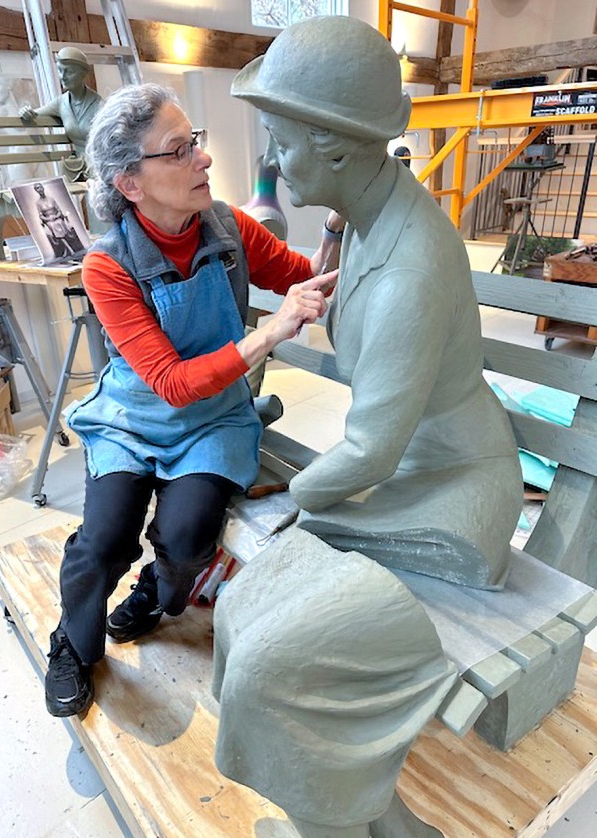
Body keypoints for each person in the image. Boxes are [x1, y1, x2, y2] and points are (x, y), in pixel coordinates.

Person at [212, 15, 524, 838]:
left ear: (341, 149)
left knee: (275, 662)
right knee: (245, 616)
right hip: (401, 475)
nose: (272, 161)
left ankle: (341, 825)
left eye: (280, 140)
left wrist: (289, 495)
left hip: (452, 494)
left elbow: (370, 448)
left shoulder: (410, 265)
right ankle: (365, 819)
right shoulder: (363, 218)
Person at [43, 81, 342, 719]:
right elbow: (171, 382)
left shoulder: (229, 228)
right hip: (134, 417)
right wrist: (268, 332)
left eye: (195, 144)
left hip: (212, 422)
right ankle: (71, 643)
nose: (202, 160)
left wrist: (341, 224)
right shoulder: (108, 266)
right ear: (131, 183)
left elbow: (305, 277)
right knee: (104, 540)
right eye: (178, 151)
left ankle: (158, 591)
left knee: (184, 542)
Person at [20, 47, 102, 181]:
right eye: (60, 70)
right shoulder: (61, 103)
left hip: (100, 166)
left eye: (69, 71)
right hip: (78, 167)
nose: (63, 76)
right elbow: (35, 113)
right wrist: (26, 112)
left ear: (83, 73)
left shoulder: (99, 105)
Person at [33, 181, 85, 257]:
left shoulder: (51, 199)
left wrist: (56, 216)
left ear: (43, 188)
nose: (40, 189)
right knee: (53, 225)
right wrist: (49, 218)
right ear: (36, 191)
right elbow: (41, 216)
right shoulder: (38, 203)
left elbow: (59, 210)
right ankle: (66, 251)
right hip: (49, 221)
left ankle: (74, 248)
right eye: (37, 188)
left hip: (57, 218)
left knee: (60, 223)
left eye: (40, 187)